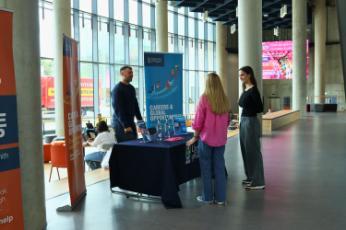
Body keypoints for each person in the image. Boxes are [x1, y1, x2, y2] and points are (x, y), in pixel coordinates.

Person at [187, 73, 230, 205]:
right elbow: (228, 120)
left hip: (206, 139)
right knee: (219, 168)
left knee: (205, 168)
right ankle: (221, 198)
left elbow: (198, 121)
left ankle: (207, 197)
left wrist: (195, 137)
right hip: (221, 140)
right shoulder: (224, 99)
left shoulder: (204, 98)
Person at [238, 66, 265, 190]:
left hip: (250, 121)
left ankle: (258, 181)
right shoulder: (245, 89)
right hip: (244, 121)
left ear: (249, 75)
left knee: (253, 151)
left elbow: (260, 108)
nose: (240, 77)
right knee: (245, 150)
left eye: (242, 74)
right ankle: (250, 177)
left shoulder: (253, 90)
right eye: (240, 75)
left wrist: (249, 108)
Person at [111, 66, 143, 142]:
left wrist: (140, 121)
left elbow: (135, 106)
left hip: (130, 121)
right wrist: (126, 125)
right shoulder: (117, 89)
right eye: (129, 72)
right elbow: (118, 109)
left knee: (134, 144)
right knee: (125, 148)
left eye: (132, 72)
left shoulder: (131, 88)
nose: (132, 74)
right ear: (122, 74)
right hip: (120, 124)